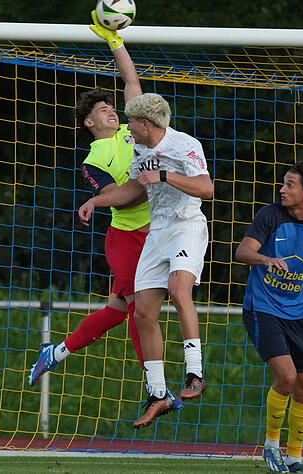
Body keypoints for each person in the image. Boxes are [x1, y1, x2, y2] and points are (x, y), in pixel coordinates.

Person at [79, 92, 214, 429]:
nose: (128, 132)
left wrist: (165, 176)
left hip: (186, 226)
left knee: (179, 289)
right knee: (141, 312)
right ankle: (157, 393)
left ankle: (195, 373)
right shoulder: (139, 149)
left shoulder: (183, 144)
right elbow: (133, 191)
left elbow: (206, 188)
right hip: (158, 232)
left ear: (144, 123)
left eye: (132, 125)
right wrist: (95, 202)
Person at [28, 11, 148, 386]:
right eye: (102, 110)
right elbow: (115, 198)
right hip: (127, 239)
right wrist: (145, 184)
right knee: (139, 309)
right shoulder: (94, 159)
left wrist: (116, 41)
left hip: (157, 233)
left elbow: (131, 80)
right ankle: (154, 385)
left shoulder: (132, 131)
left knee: (116, 308)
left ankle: (56, 352)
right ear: (89, 123)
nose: (112, 111)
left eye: (112, 107)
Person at [234, 161, 303, 474]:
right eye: (283, 183)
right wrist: (265, 258)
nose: (282, 189)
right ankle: (271, 447)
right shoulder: (270, 215)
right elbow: (242, 252)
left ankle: (294, 458)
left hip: (296, 312)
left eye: (290, 185)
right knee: (288, 378)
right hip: (262, 308)